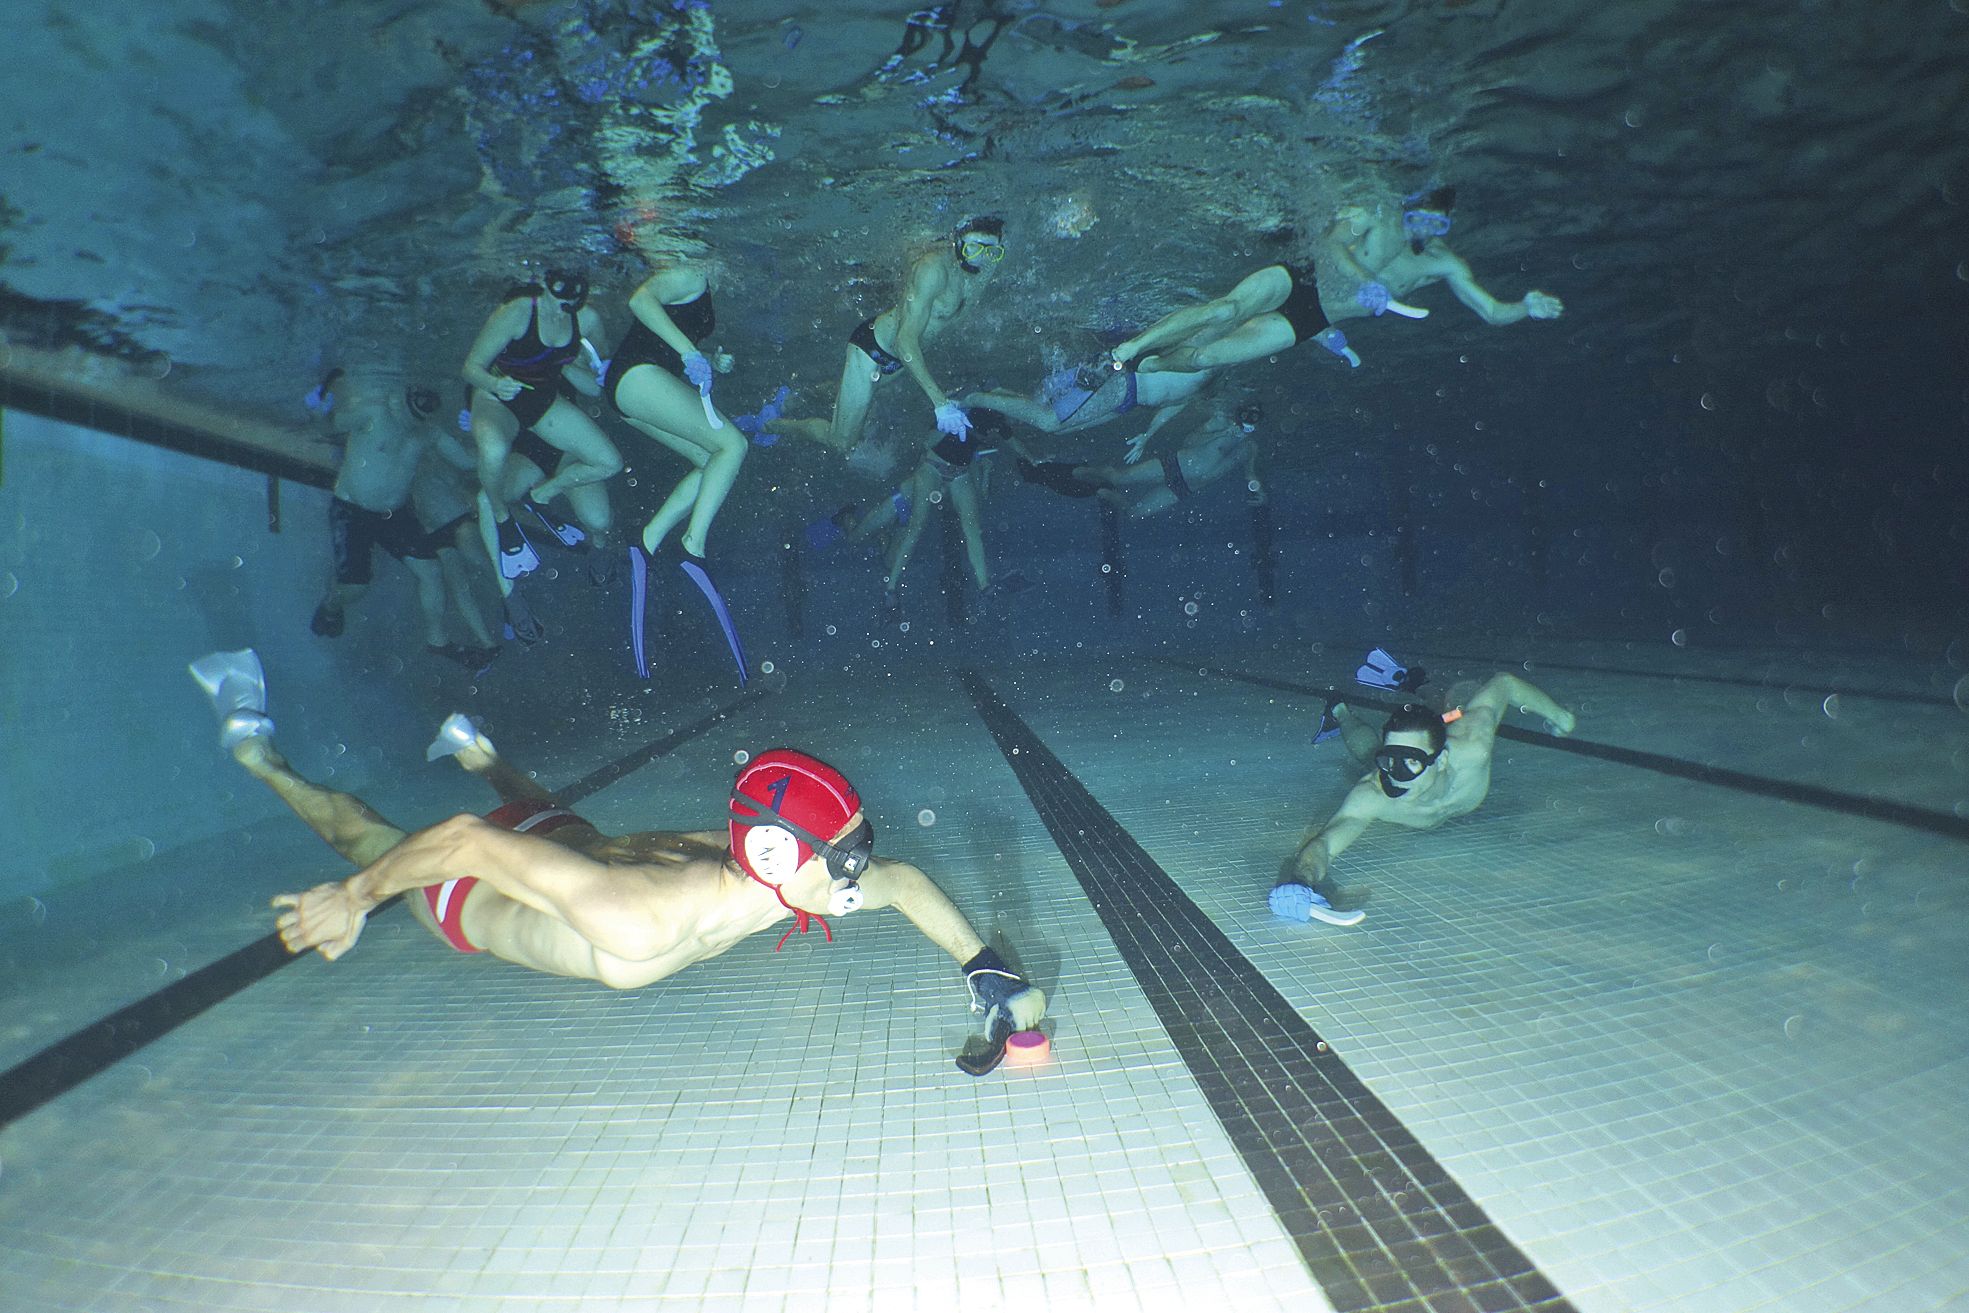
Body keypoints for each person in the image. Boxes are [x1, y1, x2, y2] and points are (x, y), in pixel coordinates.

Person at [187, 657, 1048, 1070]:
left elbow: (898, 882)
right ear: (783, 854)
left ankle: (477, 752)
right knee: (368, 832)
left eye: (855, 844)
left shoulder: (777, 876)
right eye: (847, 852)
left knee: (550, 811)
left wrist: (980, 967)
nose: (860, 865)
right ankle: (254, 746)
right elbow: (460, 842)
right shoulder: (639, 912)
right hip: (465, 890)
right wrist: (353, 896)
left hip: (569, 846)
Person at [1105, 187, 1561, 376]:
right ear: (1407, 209)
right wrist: (1366, 280)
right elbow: (1328, 244)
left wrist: (1526, 306)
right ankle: (1129, 347)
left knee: (1207, 356)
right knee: (1226, 310)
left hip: (1315, 316)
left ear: (1449, 225)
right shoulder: (1376, 217)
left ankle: (1150, 365)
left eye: (1437, 226)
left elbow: (1491, 311)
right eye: (1419, 219)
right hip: (1298, 281)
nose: (1423, 232)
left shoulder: (1444, 265)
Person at [1272, 671, 1577, 921]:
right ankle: (1338, 711)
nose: (1395, 774)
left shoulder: (1474, 744)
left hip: (1453, 729)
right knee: (1368, 752)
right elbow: (1325, 843)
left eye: (1412, 762)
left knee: (1452, 709)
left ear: (1441, 761)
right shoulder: (1375, 793)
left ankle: (1416, 682)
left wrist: (1559, 715)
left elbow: (1505, 684)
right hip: (1434, 748)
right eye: (1390, 759)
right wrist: (1301, 881)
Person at [600, 253, 750, 683]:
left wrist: (705, 356)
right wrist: (688, 354)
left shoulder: (698, 282)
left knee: (710, 462)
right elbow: (640, 302)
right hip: (637, 376)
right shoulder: (691, 270)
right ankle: (693, 547)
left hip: (633, 382)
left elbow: (663, 327)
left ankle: (646, 540)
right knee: (733, 445)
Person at [766, 217, 1010, 454]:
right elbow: (904, 341)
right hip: (874, 351)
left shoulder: (985, 266)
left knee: (851, 392)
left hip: (902, 361)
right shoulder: (933, 269)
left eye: (991, 251)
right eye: (974, 248)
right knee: (842, 442)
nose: (981, 258)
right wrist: (940, 402)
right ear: (957, 242)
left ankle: (792, 397)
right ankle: (771, 425)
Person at [308, 373, 494, 668]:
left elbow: (469, 462)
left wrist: (480, 430)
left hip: (394, 515)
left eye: (418, 418)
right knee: (356, 587)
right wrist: (319, 406)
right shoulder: (374, 412)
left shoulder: (427, 433)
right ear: (400, 401)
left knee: (431, 572)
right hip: (351, 511)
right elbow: (327, 426)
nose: (410, 423)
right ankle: (331, 606)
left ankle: (437, 640)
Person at [460, 269, 623, 584]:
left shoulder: (579, 332)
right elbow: (473, 371)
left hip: (561, 447)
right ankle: (506, 540)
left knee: (600, 516)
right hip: (526, 449)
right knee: (489, 480)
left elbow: (594, 387)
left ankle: (586, 532)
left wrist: (569, 366)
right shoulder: (515, 320)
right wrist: (488, 390)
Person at [830, 411, 1008, 599]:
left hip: (905, 519)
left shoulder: (968, 459)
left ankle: (883, 539)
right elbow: (927, 444)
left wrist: (986, 471)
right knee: (855, 538)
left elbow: (980, 496)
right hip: (901, 504)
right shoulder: (941, 456)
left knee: (890, 563)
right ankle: (846, 517)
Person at [1017, 402, 1264, 518]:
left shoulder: (1249, 447)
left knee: (1135, 514)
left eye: (1253, 419)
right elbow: (1190, 441)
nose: (1248, 423)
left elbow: (1251, 477)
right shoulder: (1221, 423)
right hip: (1177, 464)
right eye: (1246, 416)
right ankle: (1057, 470)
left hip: (1186, 487)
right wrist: (1223, 433)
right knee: (1118, 476)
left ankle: (1101, 492)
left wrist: (1258, 493)